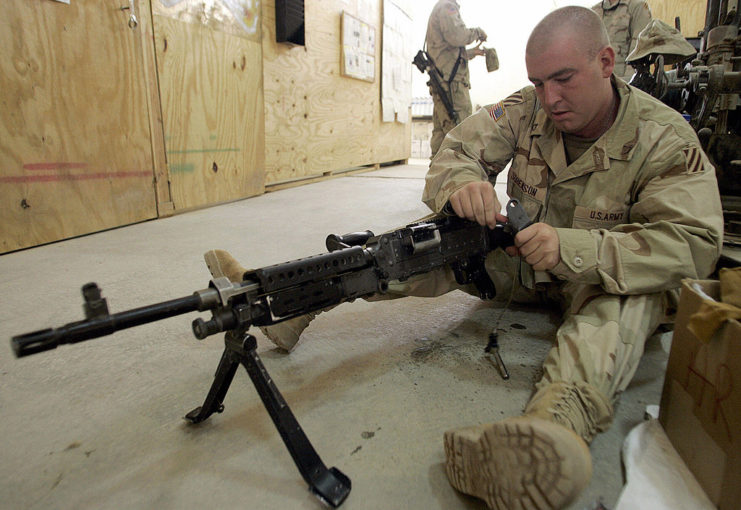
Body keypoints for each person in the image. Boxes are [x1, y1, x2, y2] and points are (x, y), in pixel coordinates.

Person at [205, 6, 723, 509]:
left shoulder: (664, 136)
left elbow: (693, 243)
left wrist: (573, 248)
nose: (550, 97)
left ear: (607, 62)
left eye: (563, 78)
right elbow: (455, 150)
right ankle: (286, 303)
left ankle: (552, 431)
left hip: (598, 280)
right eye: (539, 82)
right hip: (517, 262)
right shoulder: (525, 109)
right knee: (425, 242)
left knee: (628, 296)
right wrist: (464, 184)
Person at [425, 0, 487, 156]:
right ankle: (459, 178)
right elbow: (457, 36)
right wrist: (477, 32)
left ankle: (437, 178)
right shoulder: (448, 7)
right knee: (462, 135)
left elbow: (448, 51)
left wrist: (472, 52)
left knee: (441, 134)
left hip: (444, 82)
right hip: (452, 85)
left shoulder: (441, 8)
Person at [592, 0, 652, 81]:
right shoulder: (594, 11)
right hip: (597, 81)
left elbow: (639, 52)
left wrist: (626, 87)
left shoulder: (637, 7)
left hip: (622, 84)